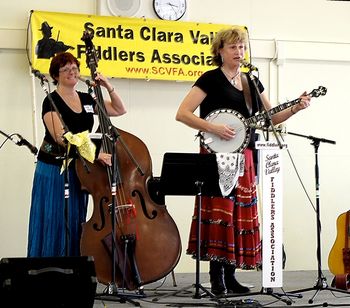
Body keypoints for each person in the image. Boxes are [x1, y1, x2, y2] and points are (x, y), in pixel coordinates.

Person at [175, 27, 311, 295]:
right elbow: (183, 113)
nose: (239, 52)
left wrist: (295, 107)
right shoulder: (210, 79)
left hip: (246, 154)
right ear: (220, 51)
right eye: (233, 47)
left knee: (238, 216)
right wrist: (213, 128)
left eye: (242, 47)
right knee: (220, 214)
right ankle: (216, 278)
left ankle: (231, 275)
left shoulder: (251, 82)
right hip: (217, 156)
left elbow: (271, 117)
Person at [27, 52, 127, 257]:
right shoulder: (51, 101)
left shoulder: (87, 98)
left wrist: (108, 86)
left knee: (74, 219)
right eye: (66, 69)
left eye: (75, 68)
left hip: (80, 170)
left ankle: (73, 267)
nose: (72, 72)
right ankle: (48, 267)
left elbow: (119, 110)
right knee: (54, 218)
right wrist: (95, 154)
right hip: (54, 170)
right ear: (56, 75)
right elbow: (61, 137)